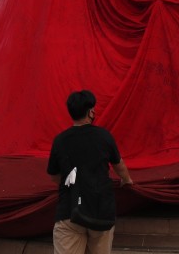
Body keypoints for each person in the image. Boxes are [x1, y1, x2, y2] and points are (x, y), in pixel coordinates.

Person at [47, 90, 133, 254]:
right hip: (100, 210)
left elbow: (54, 176)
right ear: (91, 112)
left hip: (69, 211)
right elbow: (119, 165)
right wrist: (127, 179)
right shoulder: (104, 136)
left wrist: (72, 183)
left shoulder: (60, 140)